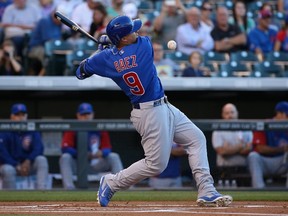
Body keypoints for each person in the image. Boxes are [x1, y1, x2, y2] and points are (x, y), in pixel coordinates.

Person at [76, 15, 232, 207]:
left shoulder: (106, 59)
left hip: (162, 107)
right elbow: (129, 49)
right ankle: (111, 182)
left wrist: (98, 54)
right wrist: (110, 45)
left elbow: (81, 72)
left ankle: (206, 189)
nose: (137, 31)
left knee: (196, 138)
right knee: (156, 164)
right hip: (150, 112)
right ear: (124, 38)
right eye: (132, 30)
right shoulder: (143, 47)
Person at [59, 102, 123, 190]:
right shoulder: (72, 128)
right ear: (78, 115)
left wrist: (102, 153)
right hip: (78, 163)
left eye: (88, 114)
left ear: (92, 114)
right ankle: (69, 188)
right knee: (65, 157)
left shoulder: (100, 128)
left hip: (96, 163)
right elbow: (65, 148)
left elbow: (108, 148)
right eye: (83, 114)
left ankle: (121, 186)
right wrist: (82, 154)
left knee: (114, 156)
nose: (86, 116)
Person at [0, 103, 49, 189]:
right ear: (12, 117)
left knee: (41, 160)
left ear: (26, 116)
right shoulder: (4, 131)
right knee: (8, 170)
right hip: (11, 165)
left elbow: (39, 148)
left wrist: (29, 160)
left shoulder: (32, 130)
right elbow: (2, 153)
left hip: (28, 165)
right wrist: (16, 165)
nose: (21, 117)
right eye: (17, 115)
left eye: (23, 115)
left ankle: (42, 191)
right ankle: (11, 199)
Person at [248, 101, 288, 188]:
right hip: (265, 161)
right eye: (287, 115)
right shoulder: (265, 124)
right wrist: (282, 148)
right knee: (253, 156)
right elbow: (260, 149)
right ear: (279, 114)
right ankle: (258, 190)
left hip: (282, 162)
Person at [212, 103, 253, 187]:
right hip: (225, 170)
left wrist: (229, 148)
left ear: (237, 113)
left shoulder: (245, 128)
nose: (230, 115)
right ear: (223, 115)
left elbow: (249, 149)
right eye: (227, 113)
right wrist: (241, 146)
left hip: (244, 169)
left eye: (232, 112)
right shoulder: (218, 130)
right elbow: (222, 151)